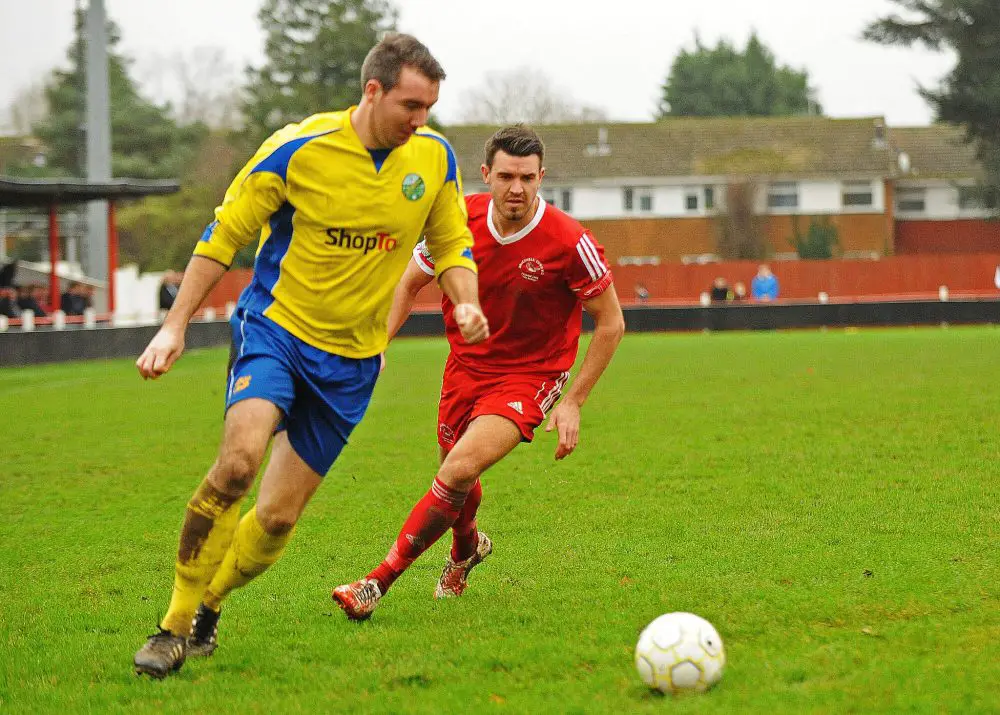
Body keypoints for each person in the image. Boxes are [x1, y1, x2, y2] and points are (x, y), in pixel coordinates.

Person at [131, 32, 489, 679]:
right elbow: (224, 234)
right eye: (411, 104)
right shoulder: (299, 149)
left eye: (430, 106)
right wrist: (174, 325)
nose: (421, 120)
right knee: (237, 463)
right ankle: (172, 623)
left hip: (352, 363)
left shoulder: (433, 159)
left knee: (274, 516)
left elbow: (452, 243)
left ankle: (211, 605)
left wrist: (464, 300)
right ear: (372, 90)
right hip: (276, 330)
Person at [332, 124, 625, 620]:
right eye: (507, 176)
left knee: (459, 469)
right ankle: (466, 550)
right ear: (486, 174)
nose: (517, 189)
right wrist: (375, 346)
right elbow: (408, 285)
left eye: (528, 178)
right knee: (456, 474)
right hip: (465, 368)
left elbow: (611, 323)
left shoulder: (570, 241)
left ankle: (375, 584)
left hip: (530, 377)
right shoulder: (455, 222)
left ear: (541, 177)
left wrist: (573, 399)